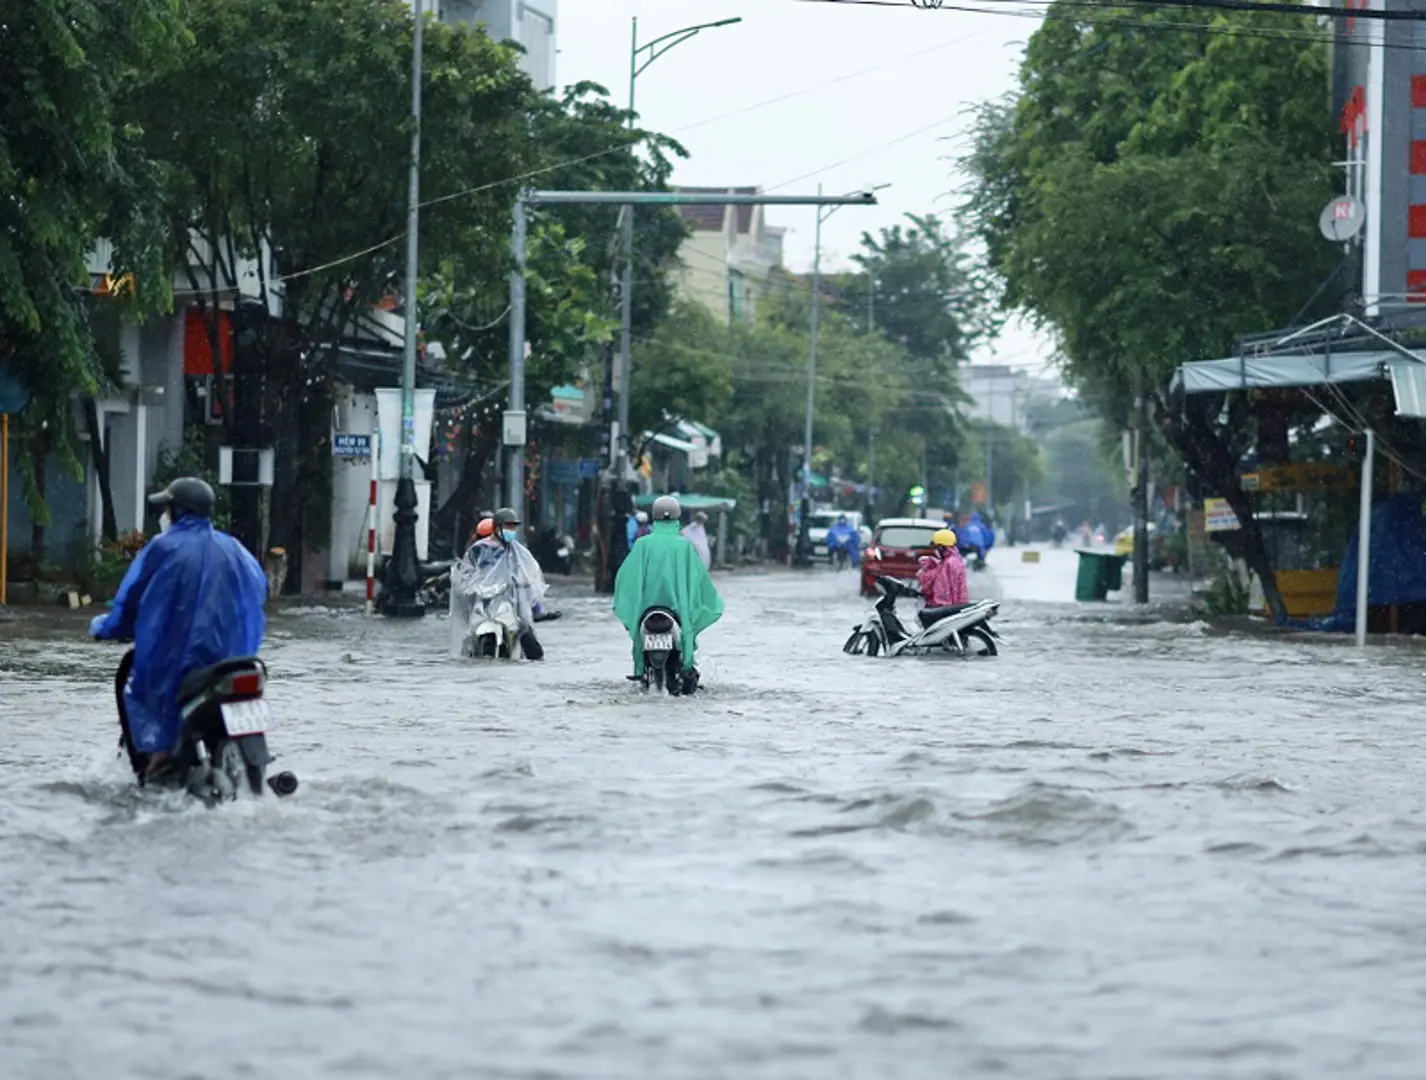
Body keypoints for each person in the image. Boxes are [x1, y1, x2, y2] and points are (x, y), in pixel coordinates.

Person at [88, 477, 268, 781]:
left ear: (177, 511)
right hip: (234, 663)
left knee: (140, 687)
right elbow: (258, 594)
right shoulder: (235, 548)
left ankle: (155, 759)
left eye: (167, 508)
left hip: (185, 665)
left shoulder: (163, 547)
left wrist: (104, 627)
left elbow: (130, 601)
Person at [613, 495, 723, 692]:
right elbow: (698, 579)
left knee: (639, 640)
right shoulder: (684, 545)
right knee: (687, 630)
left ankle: (640, 668)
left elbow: (626, 578)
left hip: (646, 613)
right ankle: (687, 666)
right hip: (676, 612)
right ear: (677, 516)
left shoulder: (642, 545)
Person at [456, 507, 547, 659]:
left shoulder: (517, 551)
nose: (510, 530)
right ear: (497, 527)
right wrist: (466, 585)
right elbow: (466, 570)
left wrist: (526, 580)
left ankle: (536, 661)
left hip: (508, 600)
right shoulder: (478, 549)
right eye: (507, 526)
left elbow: (530, 570)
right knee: (467, 636)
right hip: (484, 599)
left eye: (513, 527)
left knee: (525, 632)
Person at [918, 528, 969, 608]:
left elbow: (942, 592)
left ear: (941, 547)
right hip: (958, 607)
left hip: (946, 610)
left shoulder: (948, 564)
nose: (935, 550)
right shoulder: (957, 560)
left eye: (936, 547)